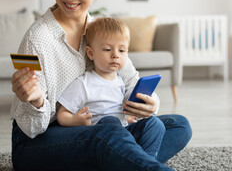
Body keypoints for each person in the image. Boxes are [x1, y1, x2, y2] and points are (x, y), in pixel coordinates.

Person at [11, 0, 192, 171]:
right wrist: (36, 101)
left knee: (178, 126)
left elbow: (131, 80)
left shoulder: (102, 29)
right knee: (109, 130)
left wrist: (150, 103)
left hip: (98, 133)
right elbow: (31, 128)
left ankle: (117, 160)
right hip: (38, 143)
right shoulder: (35, 39)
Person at [57, 17, 166, 158]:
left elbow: (117, 111)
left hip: (124, 134)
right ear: (91, 53)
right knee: (110, 121)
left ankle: (142, 161)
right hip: (101, 138)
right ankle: (138, 161)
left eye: (122, 50)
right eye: (108, 49)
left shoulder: (121, 82)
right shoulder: (83, 84)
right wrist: (75, 121)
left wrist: (127, 119)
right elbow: (62, 114)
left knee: (154, 124)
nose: (115, 55)